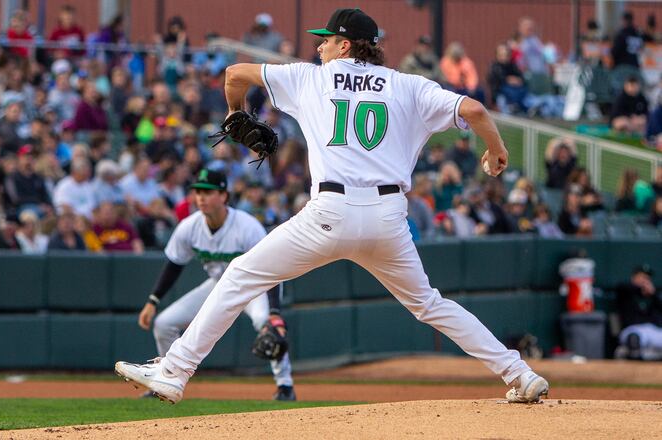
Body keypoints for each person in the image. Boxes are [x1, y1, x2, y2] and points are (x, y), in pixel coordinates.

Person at [115, 8, 548, 405]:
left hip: (330, 212)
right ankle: (519, 373)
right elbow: (473, 108)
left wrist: (234, 114)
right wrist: (495, 151)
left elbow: (234, 73)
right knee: (430, 305)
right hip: (387, 219)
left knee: (241, 275)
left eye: (326, 39)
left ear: (345, 45)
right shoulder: (408, 85)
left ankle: (175, 370)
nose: (319, 45)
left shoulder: (311, 78)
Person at [132, 169, 295, 400]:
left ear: (224, 196)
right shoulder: (190, 227)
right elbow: (174, 265)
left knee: (265, 323)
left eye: (208, 192)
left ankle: (285, 386)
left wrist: (275, 313)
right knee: (163, 323)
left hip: (253, 287)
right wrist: (153, 300)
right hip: (218, 286)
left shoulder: (247, 227)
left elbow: (272, 270)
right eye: (198, 191)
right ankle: (166, 379)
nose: (201, 197)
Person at [616, 265, 661, 360]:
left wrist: (654, 294)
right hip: (633, 329)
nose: (644, 281)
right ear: (634, 278)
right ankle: (635, 371)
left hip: (652, 330)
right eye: (641, 277)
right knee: (634, 338)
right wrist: (639, 288)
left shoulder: (653, 296)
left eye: (647, 278)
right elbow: (622, 287)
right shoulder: (626, 292)